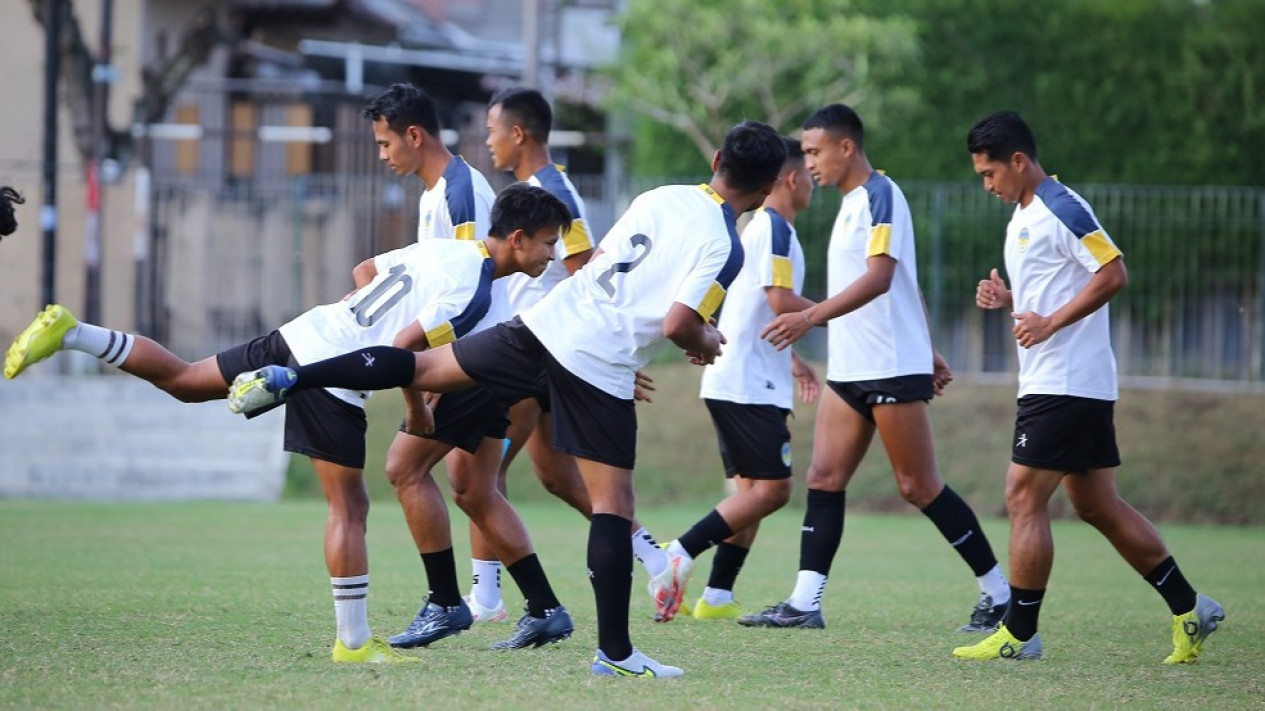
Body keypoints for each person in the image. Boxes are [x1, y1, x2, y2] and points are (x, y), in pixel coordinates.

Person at [227, 120, 789, 678]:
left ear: (716, 159)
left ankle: (294, 377)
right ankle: (615, 655)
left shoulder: (659, 197)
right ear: (768, 188)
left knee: (423, 365)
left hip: (544, 324)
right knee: (611, 505)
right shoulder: (726, 246)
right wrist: (705, 341)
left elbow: (601, 265)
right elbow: (679, 323)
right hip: (599, 361)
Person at [2, 183, 573, 664]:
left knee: (185, 380)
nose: (551, 255)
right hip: (330, 373)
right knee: (349, 507)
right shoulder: (475, 292)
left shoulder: (445, 250)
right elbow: (404, 349)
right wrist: (417, 408)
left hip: (306, 331)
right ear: (517, 238)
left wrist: (358, 316)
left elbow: (367, 270)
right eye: (549, 243)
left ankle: (75, 332)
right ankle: (354, 643)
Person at [952, 110, 1224, 662]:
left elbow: (1113, 272)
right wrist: (1010, 301)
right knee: (1096, 503)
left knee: (1022, 495)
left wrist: (1051, 323)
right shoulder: (1026, 212)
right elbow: (1060, 285)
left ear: (1018, 161)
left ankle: (1019, 634)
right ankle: (1191, 607)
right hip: (1067, 380)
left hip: (1065, 381)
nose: (987, 185)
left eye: (989, 174)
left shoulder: (1062, 206)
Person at [740, 103, 1010, 633]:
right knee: (823, 477)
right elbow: (907, 283)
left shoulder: (881, 194)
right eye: (805, 153)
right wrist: (929, 346)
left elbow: (883, 278)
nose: (809, 163)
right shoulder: (849, 204)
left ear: (846, 147)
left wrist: (810, 316)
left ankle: (1000, 594)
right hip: (850, 367)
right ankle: (804, 603)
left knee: (918, 486)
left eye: (815, 151)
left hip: (887, 365)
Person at [365, 83, 573, 648]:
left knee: (404, 470)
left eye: (385, 143)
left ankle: (445, 603)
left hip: (470, 360)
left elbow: (469, 290)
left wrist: (431, 375)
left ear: (413, 135)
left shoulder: (462, 193)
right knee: (475, 490)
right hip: (486, 358)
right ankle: (545, 608)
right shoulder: (438, 192)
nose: (382, 154)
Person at [476, 86, 669, 622]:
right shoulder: (529, 191)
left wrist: (606, 353)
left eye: (492, 130)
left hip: (539, 348)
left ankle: (485, 598)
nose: (488, 141)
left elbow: (588, 273)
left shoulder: (554, 191)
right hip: (541, 346)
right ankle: (657, 558)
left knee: (480, 470)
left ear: (518, 134)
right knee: (557, 477)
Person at [651, 137, 820, 622]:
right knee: (773, 492)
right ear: (791, 179)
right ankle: (679, 553)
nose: (813, 184)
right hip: (748, 383)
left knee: (751, 496)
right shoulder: (776, 227)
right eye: (809, 175)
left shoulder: (760, 227)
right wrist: (843, 312)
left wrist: (792, 359)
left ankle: (718, 596)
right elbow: (781, 300)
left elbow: (755, 307)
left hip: (741, 376)